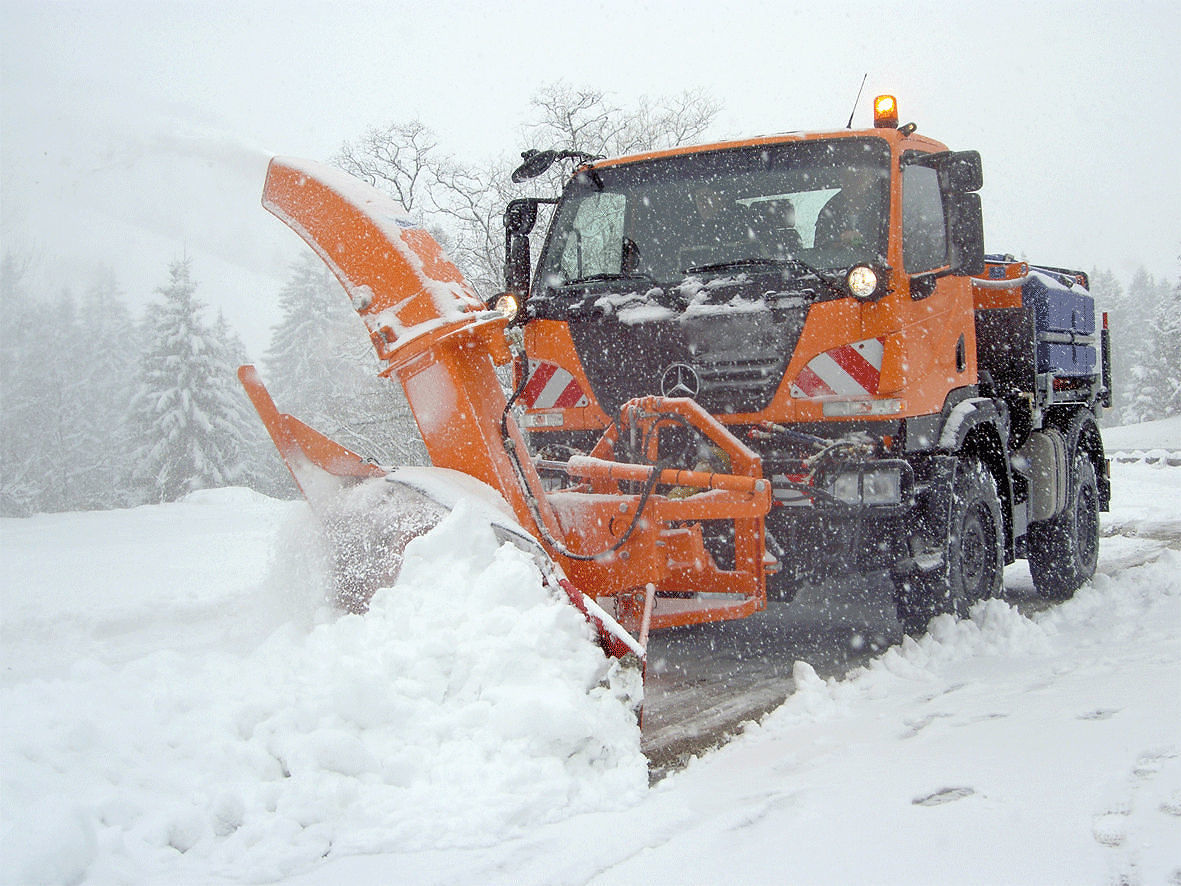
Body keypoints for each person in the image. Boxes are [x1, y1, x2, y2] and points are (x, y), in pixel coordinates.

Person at [814, 166, 886, 251]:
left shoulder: (883, 207)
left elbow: (886, 246)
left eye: (856, 176)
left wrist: (857, 240)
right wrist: (838, 243)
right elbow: (820, 250)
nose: (850, 182)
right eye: (845, 177)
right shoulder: (829, 210)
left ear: (871, 179)